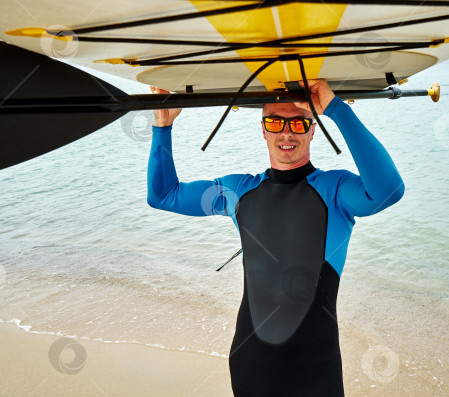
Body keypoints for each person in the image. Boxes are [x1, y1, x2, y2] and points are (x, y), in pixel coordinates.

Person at [147, 79, 404, 396]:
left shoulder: (335, 191)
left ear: (313, 130)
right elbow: (163, 195)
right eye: (275, 122)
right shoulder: (238, 191)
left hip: (315, 371)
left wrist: (335, 109)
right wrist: (163, 125)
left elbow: (389, 189)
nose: (286, 133)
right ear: (263, 129)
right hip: (250, 366)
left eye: (299, 122)